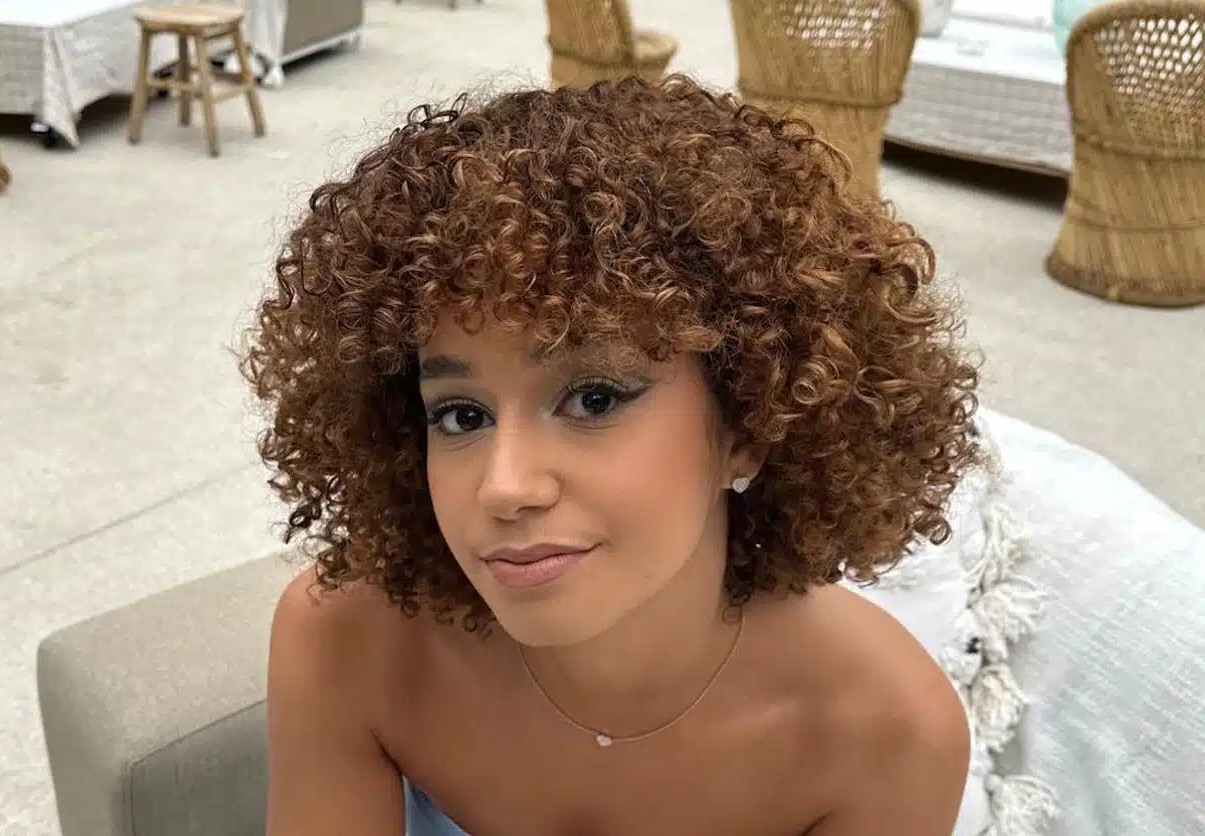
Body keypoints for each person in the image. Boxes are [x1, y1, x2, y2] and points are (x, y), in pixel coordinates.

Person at [244, 75, 981, 836]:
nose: (505, 486)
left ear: (749, 423)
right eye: (461, 415)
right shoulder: (349, 641)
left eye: (593, 399)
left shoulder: (884, 734)